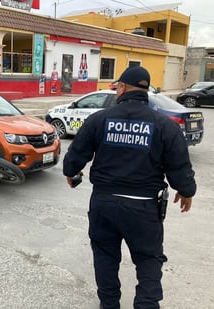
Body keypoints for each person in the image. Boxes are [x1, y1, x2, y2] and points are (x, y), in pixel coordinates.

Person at [63, 66, 196, 309]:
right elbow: (178, 164)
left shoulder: (99, 119)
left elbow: (75, 154)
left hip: (104, 203)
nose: (115, 91)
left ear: (122, 88)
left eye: (117, 87)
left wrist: (71, 172)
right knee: (148, 260)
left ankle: (109, 304)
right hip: (144, 208)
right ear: (146, 91)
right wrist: (186, 190)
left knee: (105, 256)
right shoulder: (163, 125)